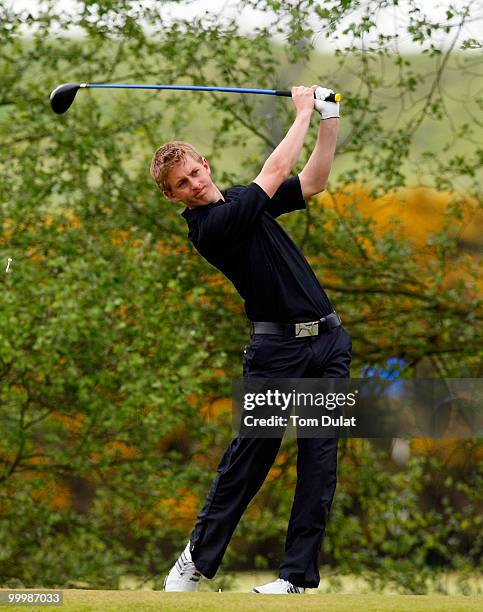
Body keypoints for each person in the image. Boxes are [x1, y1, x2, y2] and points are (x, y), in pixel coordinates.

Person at [150, 85, 352, 595]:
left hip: (328, 343)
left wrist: (328, 118)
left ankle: (296, 580)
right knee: (250, 459)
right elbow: (277, 171)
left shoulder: (242, 198)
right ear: (172, 195)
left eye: (196, 171)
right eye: (182, 183)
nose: (194, 184)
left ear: (207, 165)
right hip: (276, 352)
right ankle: (193, 562)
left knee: (320, 463)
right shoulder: (210, 226)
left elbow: (313, 182)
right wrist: (302, 111)